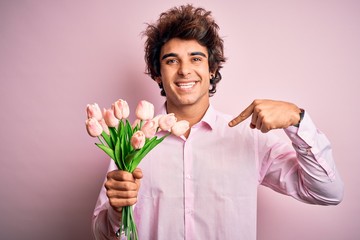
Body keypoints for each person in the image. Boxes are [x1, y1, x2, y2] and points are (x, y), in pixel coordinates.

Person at [92, 4, 343, 240]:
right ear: (157, 73)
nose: (184, 70)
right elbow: (102, 233)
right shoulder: (132, 144)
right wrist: (117, 211)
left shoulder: (249, 138)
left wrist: (296, 120)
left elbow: (327, 192)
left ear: (212, 69)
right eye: (171, 60)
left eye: (196, 58)